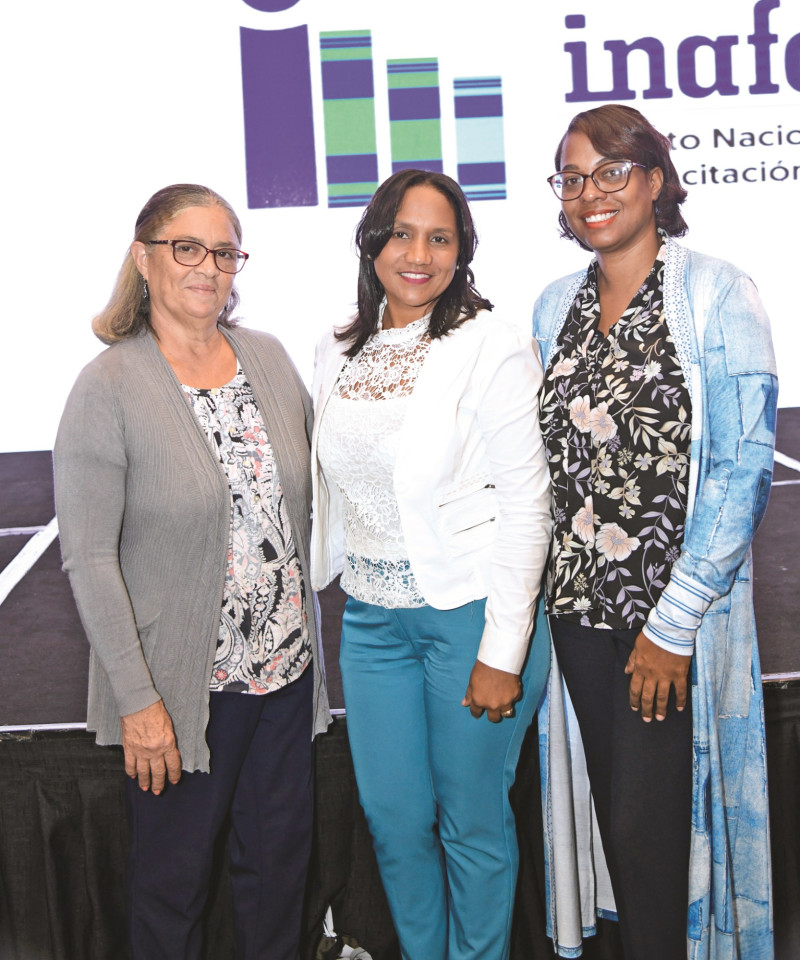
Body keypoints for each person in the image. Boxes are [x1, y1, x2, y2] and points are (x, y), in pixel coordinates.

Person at [54, 183, 331, 960]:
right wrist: (140, 702)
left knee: (278, 885)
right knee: (170, 894)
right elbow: (89, 558)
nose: (208, 267)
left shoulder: (269, 360)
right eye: (187, 248)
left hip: (282, 682)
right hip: (181, 696)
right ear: (145, 258)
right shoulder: (107, 387)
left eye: (224, 250)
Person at [534, 105, 776, 959]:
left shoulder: (718, 290)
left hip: (669, 627)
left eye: (611, 171)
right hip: (577, 617)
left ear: (655, 179)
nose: (590, 193)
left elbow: (744, 466)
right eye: (572, 177)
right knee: (623, 837)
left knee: (653, 840)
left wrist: (671, 626)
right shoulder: (552, 306)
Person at [310, 168, 552, 960]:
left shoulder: (491, 343)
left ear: (461, 253)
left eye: (439, 238)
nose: (418, 253)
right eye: (402, 233)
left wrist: (501, 654)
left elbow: (527, 505)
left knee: (472, 821)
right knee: (393, 822)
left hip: (471, 616)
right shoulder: (338, 349)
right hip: (373, 621)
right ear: (373, 241)